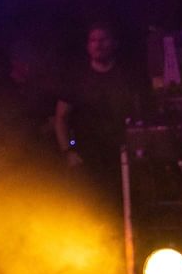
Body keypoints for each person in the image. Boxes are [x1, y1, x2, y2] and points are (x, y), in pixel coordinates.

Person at [53, 21, 147, 203]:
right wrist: (68, 152)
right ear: (88, 46)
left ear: (114, 43)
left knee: (127, 204)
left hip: (123, 154)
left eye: (103, 39)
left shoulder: (128, 76)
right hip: (89, 157)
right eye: (93, 40)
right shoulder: (77, 79)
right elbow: (61, 118)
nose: (98, 44)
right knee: (93, 206)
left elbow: (142, 113)